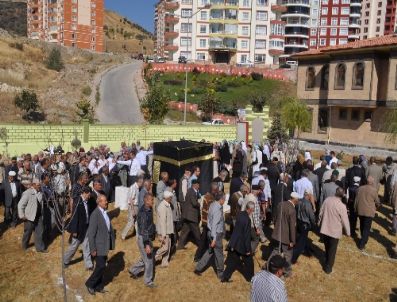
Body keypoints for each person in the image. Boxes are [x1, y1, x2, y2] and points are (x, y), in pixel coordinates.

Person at [85, 194, 115, 295]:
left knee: (102, 266)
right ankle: (90, 284)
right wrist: (93, 249)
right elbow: (91, 233)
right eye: (104, 201)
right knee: (101, 266)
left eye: (106, 200)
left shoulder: (105, 213)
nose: (106, 202)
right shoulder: (95, 214)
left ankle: (98, 286)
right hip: (98, 246)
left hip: (105, 245)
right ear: (99, 202)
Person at [319, 187, 350, 274]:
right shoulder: (342, 206)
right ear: (343, 195)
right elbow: (345, 220)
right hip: (334, 231)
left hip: (325, 229)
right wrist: (348, 232)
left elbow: (321, 212)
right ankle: (328, 267)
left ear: (335, 192)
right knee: (332, 250)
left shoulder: (327, 200)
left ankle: (327, 259)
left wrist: (319, 223)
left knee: (327, 246)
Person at [222, 201, 255, 283]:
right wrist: (248, 250)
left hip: (234, 242)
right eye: (253, 210)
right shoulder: (247, 220)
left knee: (233, 262)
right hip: (241, 244)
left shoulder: (240, 214)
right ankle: (251, 278)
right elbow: (247, 236)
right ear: (250, 209)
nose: (253, 211)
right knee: (249, 263)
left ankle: (225, 277)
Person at [195, 192, 226, 279]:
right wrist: (214, 239)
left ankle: (198, 268)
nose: (225, 201)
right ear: (221, 200)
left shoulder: (212, 205)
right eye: (224, 199)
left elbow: (209, 221)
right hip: (215, 234)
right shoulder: (217, 209)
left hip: (209, 232)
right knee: (219, 254)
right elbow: (215, 225)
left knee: (210, 251)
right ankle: (221, 274)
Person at [129, 193, 157, 288]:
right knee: (149, 260)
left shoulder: (149, 209)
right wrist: (147, 244)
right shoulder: (144, 213)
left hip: (147, 237)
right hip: (144, 238)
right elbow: (143, 230)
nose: (153, 202)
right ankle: (148, 281)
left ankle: (133, 270)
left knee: (145, 258)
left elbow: (150, 224)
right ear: (146, 200)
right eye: (151, 200)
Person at [64, 186, 94, 270]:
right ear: (85, 193)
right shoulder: (77, 202)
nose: (89, 196)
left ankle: (89, 265)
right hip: (78, 229)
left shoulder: (87, 201)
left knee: (86, 245)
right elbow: (74, 217)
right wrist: (74, 230)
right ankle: (65, 260)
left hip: (86, 227)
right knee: (74, 247)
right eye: (89, 195)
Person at [271, 192, 298, 277]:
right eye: (297, 200)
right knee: (288, 255)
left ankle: (268, 266)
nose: (298, 202)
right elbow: (292, 228)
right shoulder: (292, 210)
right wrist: (292, 241)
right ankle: (287, 272)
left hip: (277, 233)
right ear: (295, 199)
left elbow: (275, 217)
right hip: (286, 237)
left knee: (275, 251)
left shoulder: (280, 204)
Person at [18, 178, 47, 252]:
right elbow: (20, 205)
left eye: (40, 185)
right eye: (38, 185)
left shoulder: (41, 193)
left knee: (39, 232)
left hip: (39, 216)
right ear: (33, 185)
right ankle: (24, 246)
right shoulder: (27, 193)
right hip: (29, 217)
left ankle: (40, 248)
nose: (39, 186)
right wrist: (22, 215)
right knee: (28, 232)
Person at [354, 176, 381, 250]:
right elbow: (377, 202)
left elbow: (356, 200)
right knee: (366, 228)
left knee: (362, 226)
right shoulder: (373, 190)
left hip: (360, 210)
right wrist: (377, 206)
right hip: (369, 212)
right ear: (372, 182)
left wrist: (355, 208)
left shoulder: (360, 188)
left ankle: (364, 239)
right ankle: (362, 244)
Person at [194, 182, 218, 261]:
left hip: (206, 221)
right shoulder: (209, 198)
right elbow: (211, 212)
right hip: (208, 222)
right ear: (213, 190)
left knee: (205, 239)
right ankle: (199, 256)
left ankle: (200, 256)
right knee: (207, 239)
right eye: (216, 190)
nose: (217, 191)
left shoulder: (208, 196)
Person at [292, 190, 316, 263]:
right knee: (301, 244)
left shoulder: (298, 201)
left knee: (302, 239)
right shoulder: (308, 204)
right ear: (308, 195)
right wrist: (313, 223)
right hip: (305, 225)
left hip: (299, 222)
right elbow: (311, 216)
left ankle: (308, 251)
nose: (312, 197)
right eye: (311, 195)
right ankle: (293, 258)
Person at [177, 179, 201, 250]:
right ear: (195, 185)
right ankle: (201, 245)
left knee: (185, 231)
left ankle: (180, 246)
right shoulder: (192, 192)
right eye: (198, 184)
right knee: (197, 232)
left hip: (187, 215)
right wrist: (199, 204)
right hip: (191, 216)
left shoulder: (190, 190)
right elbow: (194, 203)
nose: (199, 186)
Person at [154, 191, 175, 267]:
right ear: (167, 198)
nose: (171, 199)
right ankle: (153, 258)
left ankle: (164, 263)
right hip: (164, 231)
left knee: (168, 247)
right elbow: (162, 222)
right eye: (170, 197)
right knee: (165, 248)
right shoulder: (162, 207)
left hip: (168, 230)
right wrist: (163, 235)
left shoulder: (167, 205)